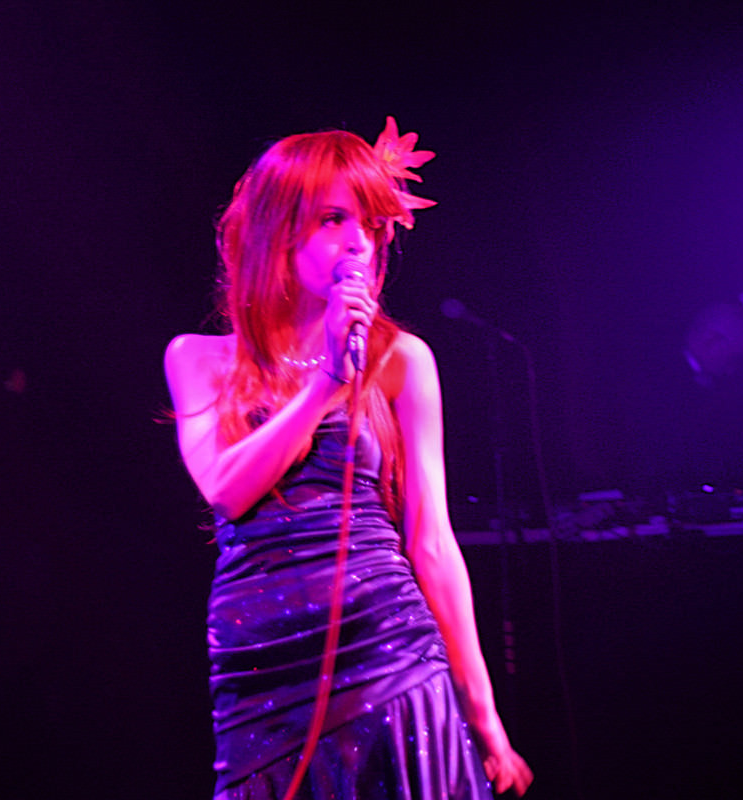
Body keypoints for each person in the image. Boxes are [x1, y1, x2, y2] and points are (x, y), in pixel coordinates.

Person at [164, 118, 532, 799]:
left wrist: (485, 718)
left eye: (371, 223)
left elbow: (432, 542)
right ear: (279, 230)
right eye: (334, 219)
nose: (359, 241)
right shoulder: (199, 359)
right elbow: (224, 488)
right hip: (261, 666)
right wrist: (327, 382)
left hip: (388, 646)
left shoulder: (402, 360)